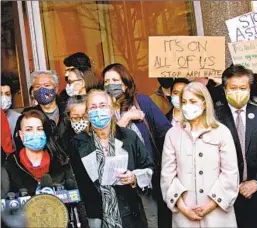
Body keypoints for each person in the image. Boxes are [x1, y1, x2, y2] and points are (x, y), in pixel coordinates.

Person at [70, 89, 154, 228]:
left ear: (111, 110)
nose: (98, 111)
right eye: (93, 107)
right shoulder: (77, 143)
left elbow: (149, 168)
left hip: (128, 214)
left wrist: (134, 177)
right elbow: (76, 183)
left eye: (103, 106)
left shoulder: (129, 137)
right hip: (96, 218)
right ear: (87, 114)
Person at [102, 63, 172, 228]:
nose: (110, 85)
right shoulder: (102, 111)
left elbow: (165, 132)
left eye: (115, 80)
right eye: (106, 82)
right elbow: (105, 142)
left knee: (151, 221)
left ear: (125, 85)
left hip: (144, 178)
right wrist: (125, 119)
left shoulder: (141, 102)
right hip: (116, 183)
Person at [161, 82, 239, 227]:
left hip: (217, 215)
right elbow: (167, 175)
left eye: (193, 101)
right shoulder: (173, 134)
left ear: (204, 104)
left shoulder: (221, 132)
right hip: (184, 214)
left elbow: (230, 173)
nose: (187, 106)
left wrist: (210, 205)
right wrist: (183, 208)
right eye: (184, 102)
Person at [215, 65, 257, 228]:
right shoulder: (215, 118)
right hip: (225, 194)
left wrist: (256, 182)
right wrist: (230, 184)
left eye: (243, 88)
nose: (238, 92)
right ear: (225, 90)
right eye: (233, 88)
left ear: (250, 89)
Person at [24, 70, 73, 142]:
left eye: (47, 85)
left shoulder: (68, 109)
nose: (42, 89)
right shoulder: (28, 115)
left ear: (56, 89)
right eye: (37, 86)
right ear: (33, 90)